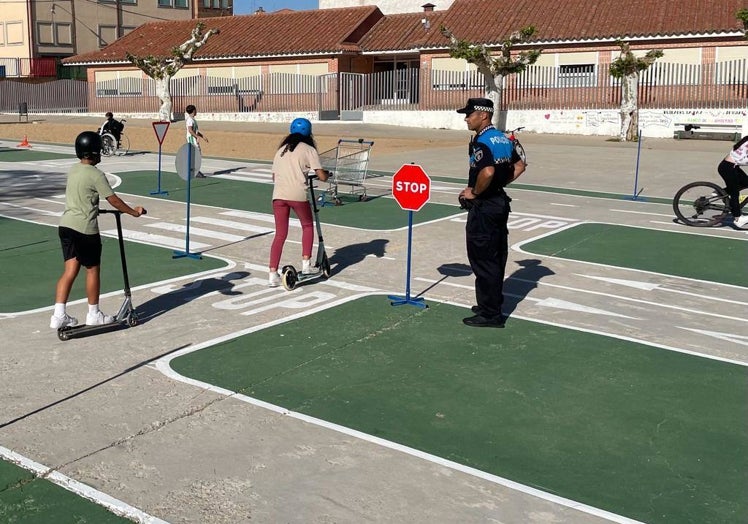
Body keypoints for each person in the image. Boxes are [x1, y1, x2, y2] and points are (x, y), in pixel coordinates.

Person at [50, 131, 146, 329]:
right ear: (94, 152)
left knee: (69, 271)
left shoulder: (74, 170)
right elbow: (114, 200)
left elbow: (82, 197)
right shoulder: (96, 175)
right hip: (85, 229)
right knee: (92, 269)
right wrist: (133, 212)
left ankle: (58, 315)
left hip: (66, 226)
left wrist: (95, 208)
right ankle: (94, 314)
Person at [457, 98, 526, 328]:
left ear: (483, 115)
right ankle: (491, 303)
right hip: (499, 203)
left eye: (470, 114)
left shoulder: (482, 141)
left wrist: (475, 193)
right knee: (496, 256)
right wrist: (499, 185)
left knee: (483, 259)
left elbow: (486, 171)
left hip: (485, 207)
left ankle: (490, 314)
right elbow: (520, 165)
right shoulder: (503, 137)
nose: (466, 118)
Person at [268, 117, 329, 287]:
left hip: (278, 195)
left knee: (280, 234)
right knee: (307, 226)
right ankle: (306, 265)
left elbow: (274, 176)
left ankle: (272, 274)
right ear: (309, 133)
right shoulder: (309, 149)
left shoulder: (281, 150)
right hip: (297, 195)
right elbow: (321, 175)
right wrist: (326, 175)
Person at [717, 135, 748, 229]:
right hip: (729, 168)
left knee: (746, 182)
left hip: (730, 166)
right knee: (735, 193)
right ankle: (738, 219)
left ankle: (722, 192)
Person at [185, 104, 208, 178]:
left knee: (196, 154)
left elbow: (195, 131)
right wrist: (197, 137)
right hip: (192, 139)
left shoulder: (193, 120)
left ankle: (194, 170)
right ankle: (194, 170)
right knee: (196, 154)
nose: (196, 111)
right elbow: (190, 130)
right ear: (193, 111)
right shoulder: (190, 120)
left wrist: (202, 136)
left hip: (194, 138)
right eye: (195, 110)